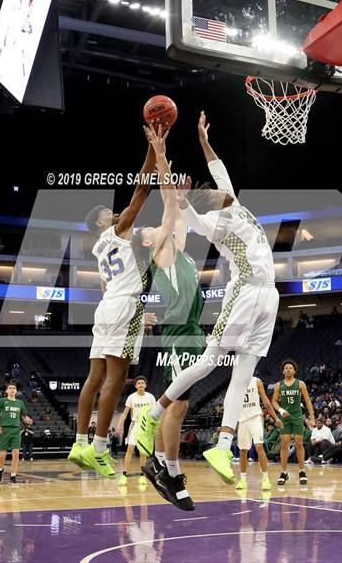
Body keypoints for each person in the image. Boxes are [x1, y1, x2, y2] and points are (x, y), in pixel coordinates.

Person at [137, 111, 280, 491]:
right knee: (209, 361)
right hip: (245, 291)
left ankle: (222, 445)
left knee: (243, 374)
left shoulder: (234, 204)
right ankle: (153, 413)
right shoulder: (213, 224)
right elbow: (177, 201)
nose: (220, 189)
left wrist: (202, 140)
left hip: (270, 297)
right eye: (213, 192)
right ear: (210, 204)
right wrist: (167, 168)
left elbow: (218, 167)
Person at [67, 132, 155, 478]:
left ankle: (79, 443)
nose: (114, 211)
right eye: (108, 211)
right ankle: (100, 449)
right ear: (103, 221)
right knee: (116, 381)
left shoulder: (99, 246)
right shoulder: (118, 230)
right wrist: (152, 148)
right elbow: (141, 190)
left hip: (105, 308)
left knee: (94, 377)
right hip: (123, 307)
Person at [137, 124, 205, 510]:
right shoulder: (161, 250)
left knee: (179, 405)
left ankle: (161, 464)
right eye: (151, 229)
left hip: (193, 333)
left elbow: (176, 210)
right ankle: (171, 471)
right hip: (179, 334)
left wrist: (181, 195)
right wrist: (160, 156)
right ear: (149, 240)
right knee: (176, 406)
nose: (157, 227)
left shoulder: (183, 250)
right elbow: (167, 202)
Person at [272, 360, 315, 486]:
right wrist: (280, 410)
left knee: (298, 444)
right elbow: (274, 402)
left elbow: (308, 401)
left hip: (297, 417)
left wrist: (311, 418)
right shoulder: (278, 385)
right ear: (283, 371)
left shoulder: (300, 384)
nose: (289, 369)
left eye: (291, 368)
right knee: (284, 445)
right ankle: (284, 472)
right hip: (285, 418)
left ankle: (302, 471)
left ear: (294, 371)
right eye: (286, 368)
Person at [235, 377, 283, 491]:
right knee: (243, 451)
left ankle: (265, 479)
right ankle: (242, 479)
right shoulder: (235, 382)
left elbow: (266, 401)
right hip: (242, 420)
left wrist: (275, 417)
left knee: (259, 446)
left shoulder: (256, 381)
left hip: (255, 417)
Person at [116, 376, 156, 487]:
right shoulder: (131, 397)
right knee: (130, 449)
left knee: (143, 452)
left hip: (146, 426)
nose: (141, 384)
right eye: (138, 383)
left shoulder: (151, 397)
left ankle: (142, 476)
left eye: (142, 382)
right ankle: (124, 475)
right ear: (135, 386)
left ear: (145, 385)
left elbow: (155, 412)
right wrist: (119, 425)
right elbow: (125, 413)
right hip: (135, 424)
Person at [0, 381, 32, 485]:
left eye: (13, 388)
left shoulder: (20, 403)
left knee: (16, 453)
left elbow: (24, 417)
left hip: (16, 431)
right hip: (4, 430)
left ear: (16, 391)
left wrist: (28, 420)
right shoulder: (2, 401)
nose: (12, 389)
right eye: (10, 388)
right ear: (6, 391)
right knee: (2, 454)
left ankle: (13, 476)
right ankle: (0, 469)